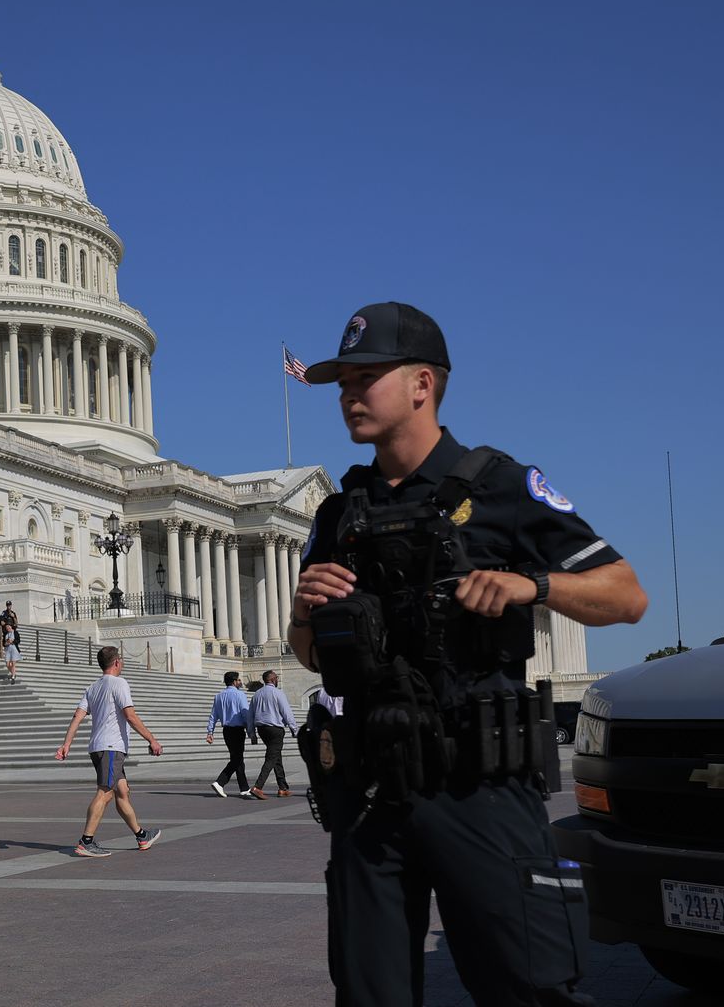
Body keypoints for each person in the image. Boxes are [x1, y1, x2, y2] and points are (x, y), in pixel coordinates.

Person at [290, 302, 647, 1007]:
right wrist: (305, 614)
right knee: (368, 994)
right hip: (370, 792)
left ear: (422, 383)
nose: (349, 394)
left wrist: (532, 584)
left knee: (525, 989)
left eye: (366, 377)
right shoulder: (339, 513)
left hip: (477, 788)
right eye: (343, 382)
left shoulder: (501, 487)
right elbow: (309, 655)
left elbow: (626, 595)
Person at [53, 645, 165, 857]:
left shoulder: (92, 687)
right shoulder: (119, 683)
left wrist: (66, 744)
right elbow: (130, 716)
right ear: (116, 662)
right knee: (105, 792)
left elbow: (77, 716)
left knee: (122, 792)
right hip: (111, 747)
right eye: (121, 660)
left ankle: (141, 836)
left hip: (97, 748)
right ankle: (86, 842)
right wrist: (152, 740)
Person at [249, 669, 299, 799]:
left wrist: (252, 733)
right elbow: (286, 712)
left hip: (262, 729)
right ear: (272, 680)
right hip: (275, 729)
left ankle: (283, 788)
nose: (278, 680)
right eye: (276, 678)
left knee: (276, 756)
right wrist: (294, 729)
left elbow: (250, 715)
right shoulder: (278, 693)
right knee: (271, 758)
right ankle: (258, 787)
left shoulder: (257, 694)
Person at [206, 671, 251, 798]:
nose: (240, 682)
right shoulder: (240, 695)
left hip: (226, 730)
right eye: (239, 680)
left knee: (237, 758)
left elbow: (213, 716)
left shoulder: (218, 696)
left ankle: (244, 788)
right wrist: (250, 729)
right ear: (234, 681)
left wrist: (210, 731)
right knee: (237, 759)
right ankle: (220, 782)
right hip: (238, 730)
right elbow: (245, 714)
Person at [0, 604, 21, 682]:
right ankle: (13, 674)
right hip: (8, 648)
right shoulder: (4, 613)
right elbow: (1, 622)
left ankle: (13, 676)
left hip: (14, 648)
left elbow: (16, 623)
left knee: (13, 663)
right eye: (7, 605)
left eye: (10, 605)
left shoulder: (13, 613)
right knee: (8, 664)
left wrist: (13, 617)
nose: (9, 607)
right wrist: (5, 624)